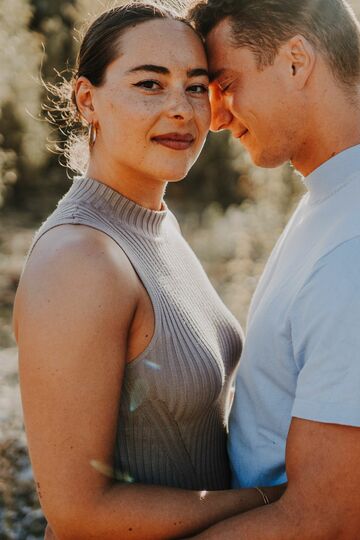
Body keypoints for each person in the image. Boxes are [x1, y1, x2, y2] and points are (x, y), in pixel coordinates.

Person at [13, 3, 285, 539]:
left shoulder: (155, 223)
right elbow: (78, 511)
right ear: (87, 100)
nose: (182, 109)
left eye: (197, 86)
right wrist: (274, 500)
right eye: (150, 85)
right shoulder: (79, 259)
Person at [188, 0, 360, 537]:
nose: (213, 118)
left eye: (226, 82)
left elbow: (323, 522)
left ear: (295, 61)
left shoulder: (351, 250)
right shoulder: (329, 199)